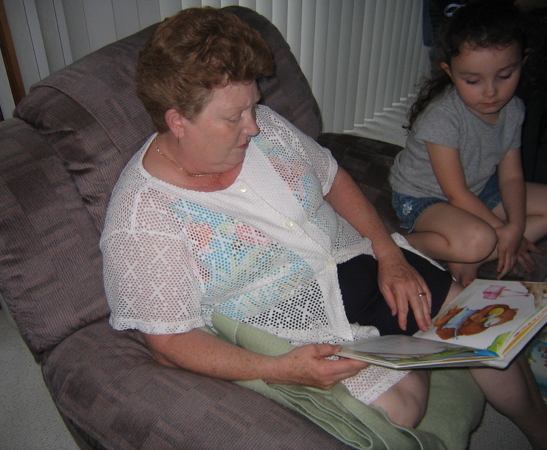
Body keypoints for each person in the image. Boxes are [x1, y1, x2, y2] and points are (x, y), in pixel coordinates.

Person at [100, 6, 547, 444]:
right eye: (234, 117)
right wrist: (278, 369)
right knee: (405, 406)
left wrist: (390, 255)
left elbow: (335, 180)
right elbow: (167, 340)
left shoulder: (267, 128)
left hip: (364, 259)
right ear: (178, 120)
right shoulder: (142, 215)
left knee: (493, 340)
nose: (254, 127)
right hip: (306, 319)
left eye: (253, 106)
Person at [390, 0, 547, 288]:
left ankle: (470, 257)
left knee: (496, 233)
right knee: (481, 239)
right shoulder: (443, 117)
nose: (490, 92)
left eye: (504, 76)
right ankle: (402, 245)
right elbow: (456, 193)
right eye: (473, 80)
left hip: (481, 187)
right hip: (426, 197)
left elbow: (511, 176)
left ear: (522, 62)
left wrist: (515, 227)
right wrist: (502, 230)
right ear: (449, 72)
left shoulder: (514, 109)